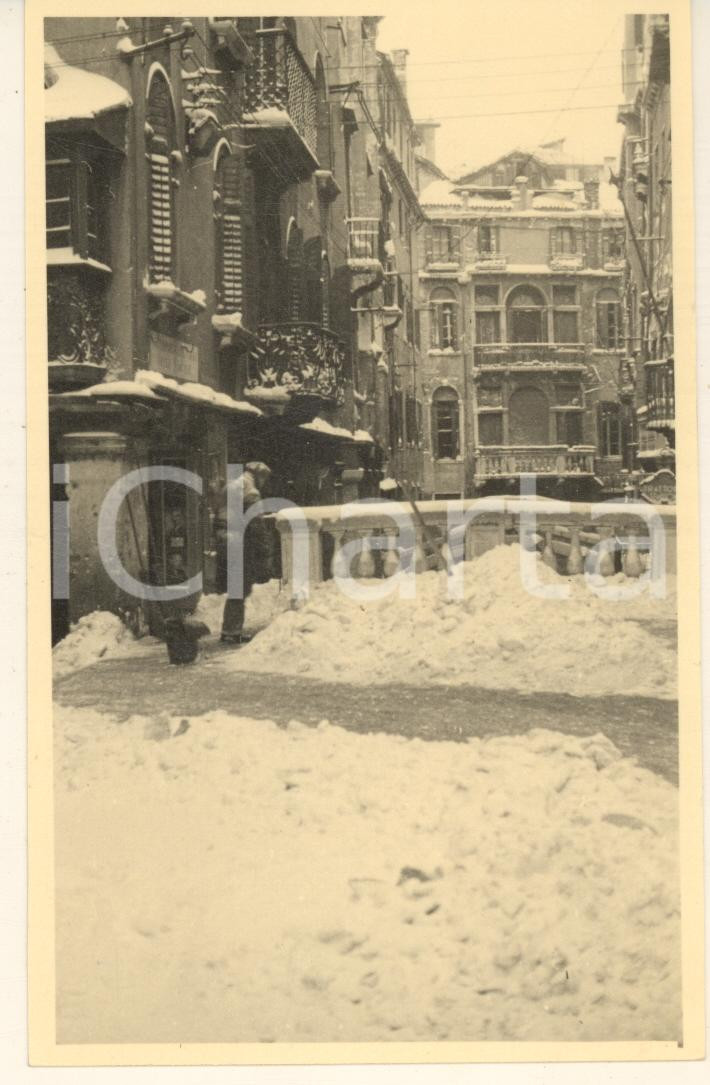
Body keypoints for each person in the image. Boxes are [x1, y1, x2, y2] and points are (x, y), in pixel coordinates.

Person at [214, 462, 273, 644]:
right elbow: (256, 523)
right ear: (258, 475)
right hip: (240, 543)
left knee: (235, 588)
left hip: (225, 542)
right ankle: (232, 631)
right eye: (264, 478)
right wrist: (264, 547)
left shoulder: (232, 486)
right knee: (240, 588)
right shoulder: (250, 491)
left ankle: (228, 630)